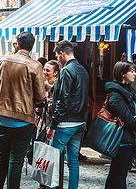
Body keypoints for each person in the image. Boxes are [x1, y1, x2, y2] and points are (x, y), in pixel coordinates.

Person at [0, 32, 46, 189]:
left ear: (18, 45)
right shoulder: (35, 66)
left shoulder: (0, 61)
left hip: (2, 116)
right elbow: (41, 96)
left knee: (1, 158)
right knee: (16, 161)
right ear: (32, 47)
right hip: (23, 119)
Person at [46, 40, 89, 189]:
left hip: (65, 123)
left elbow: (63, 101)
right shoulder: (83, 70)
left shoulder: (66, 71)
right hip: (80, 122)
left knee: (53, 160)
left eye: (58, 56)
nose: (58, 59)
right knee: (73, 162)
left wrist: (52, 125)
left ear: (62, 53)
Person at [104, 61, 136, 189]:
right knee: (119, 175)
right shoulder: (116, 95)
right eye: (132, 71)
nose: (135, 74)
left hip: (126, 139)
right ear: (122, 74)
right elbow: (128, 120)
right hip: (122, 140)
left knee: (116, 174)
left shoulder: (126, 91)